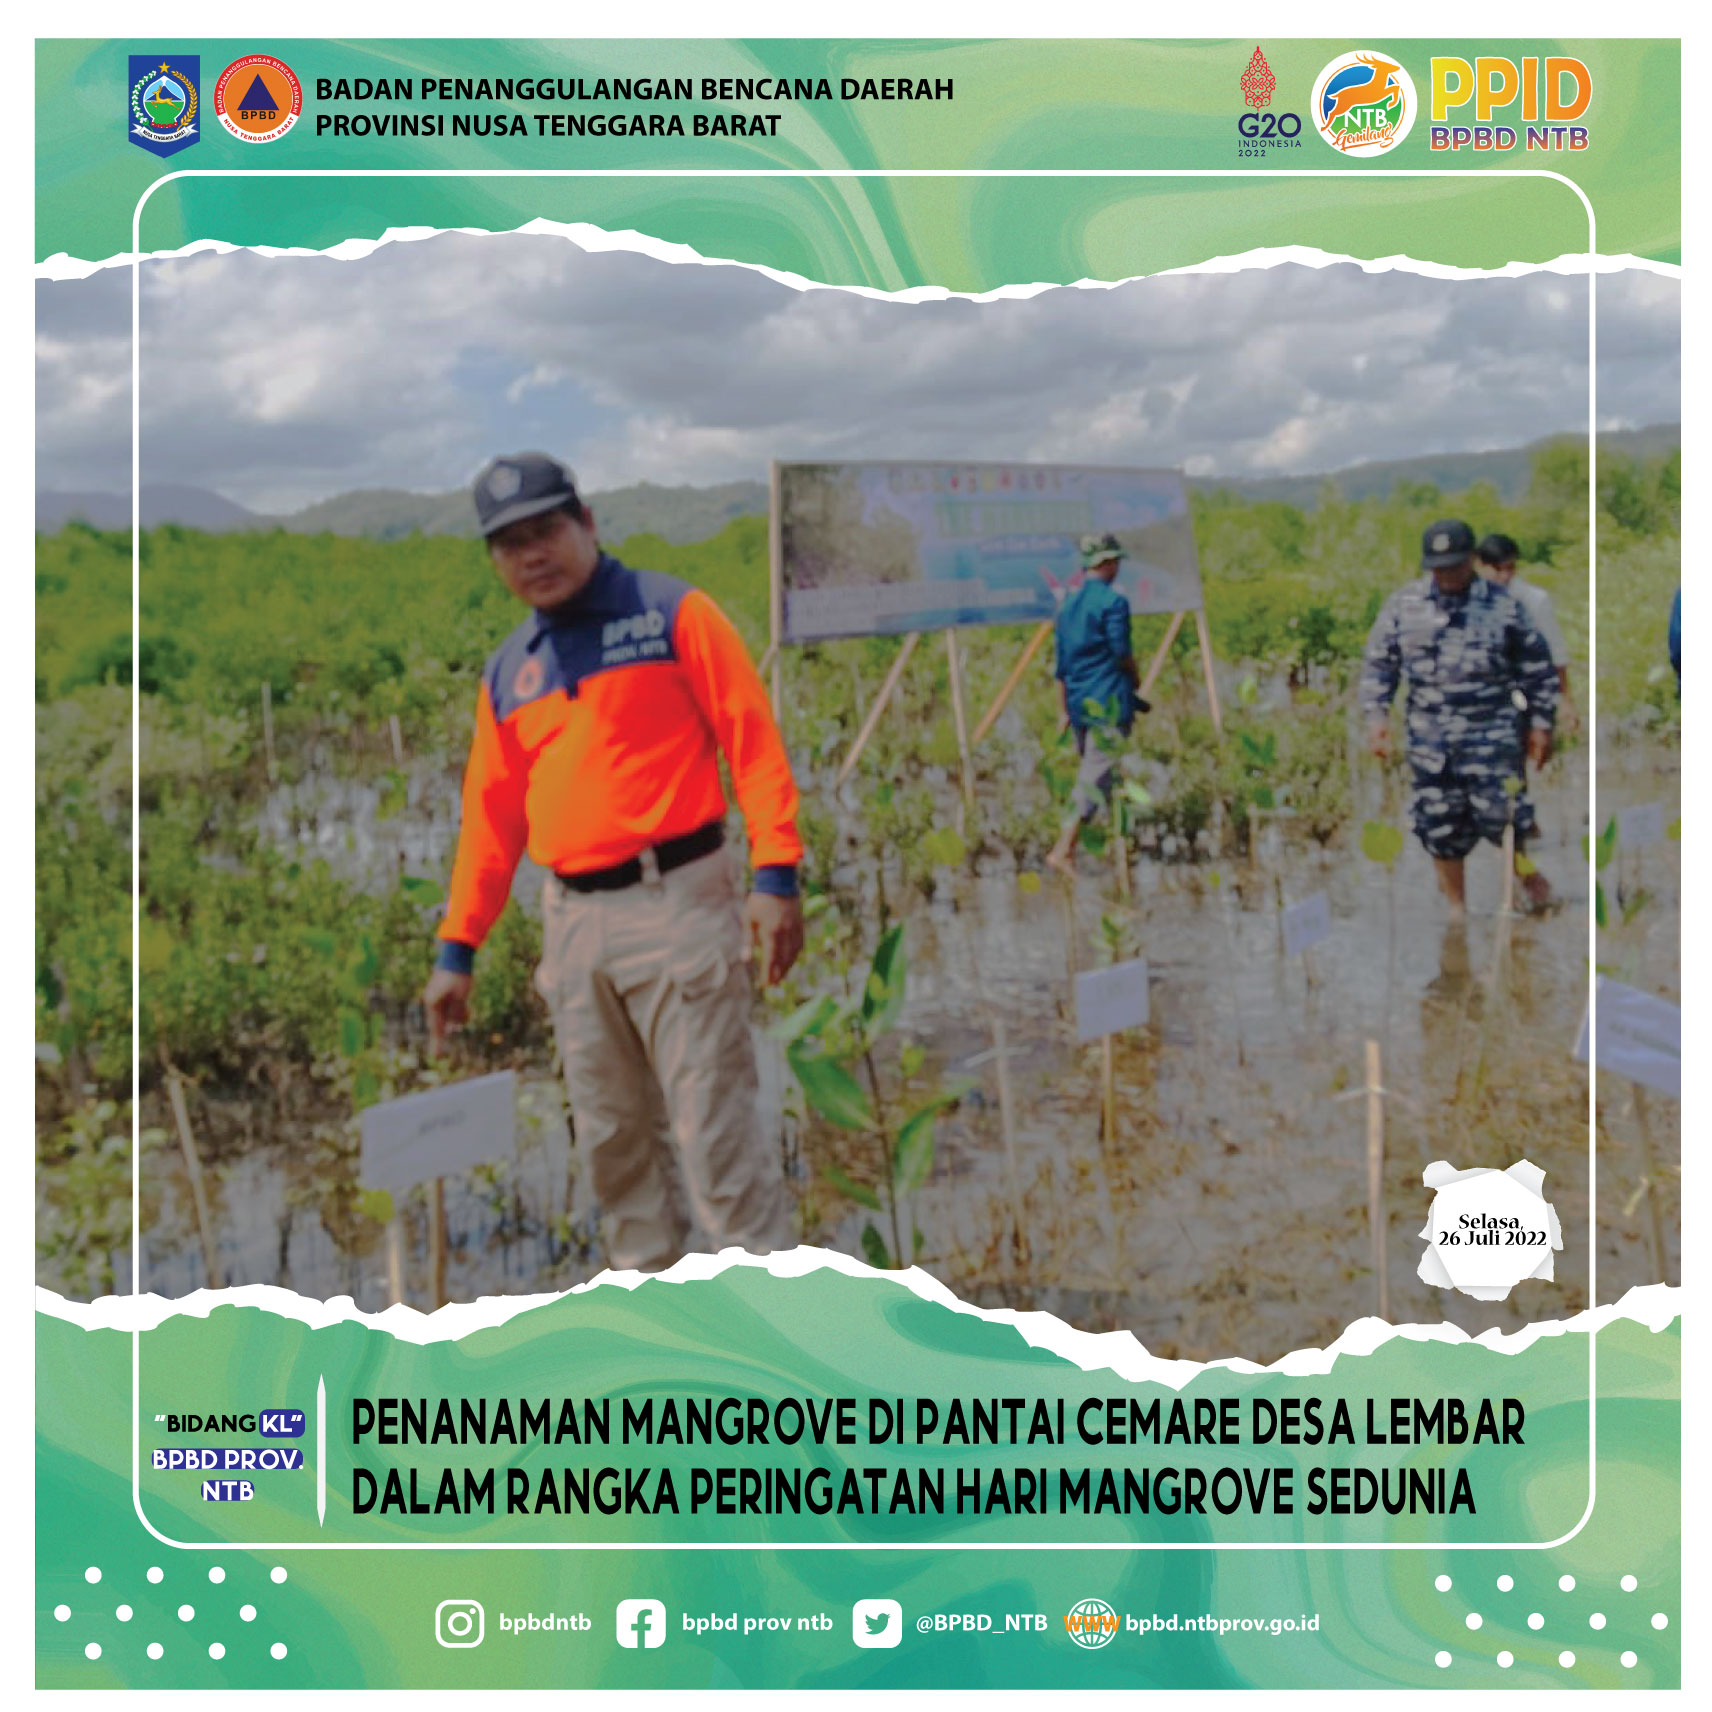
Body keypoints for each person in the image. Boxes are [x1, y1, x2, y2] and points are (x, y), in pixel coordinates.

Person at [423, 452, 804, 1272]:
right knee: (614, 1147)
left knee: (718, 1151)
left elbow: (754, 741)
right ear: (494, 561)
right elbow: (490, 821)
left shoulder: (672, 614)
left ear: (587, 524)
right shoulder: (509, 672)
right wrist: (459, 949)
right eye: (509, 543)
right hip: (571, 926)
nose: (532, 553)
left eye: (546, 530)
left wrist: (777, 873)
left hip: (679, 905)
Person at [1360, 518, 1557, 916]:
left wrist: (1541, 724)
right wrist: (1377, 718)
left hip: (1493, 736)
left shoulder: (1504, 606)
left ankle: (1523, 888)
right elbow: (1380, 665)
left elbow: (1537, 668)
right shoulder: (1404, 606)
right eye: (1439, 566)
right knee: (1440, 825)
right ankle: (1457, 912)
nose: (1446, 574)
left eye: (1454, 565)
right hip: (1431, 740)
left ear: (1472, 560)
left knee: (1504, 818)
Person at [1045, 533, 1144, 874]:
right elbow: (1121, 652)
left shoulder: (1067, 605)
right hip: (1108, 703)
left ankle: (1117, 843)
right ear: (1108, 563)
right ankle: (1063, 851)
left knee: (1104, 776)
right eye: (1115, 562)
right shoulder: (1114, 602)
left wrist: (1063, 711)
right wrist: (1136, 678)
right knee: (1093, 778)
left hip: (1078, 703)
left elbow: (1061, 665)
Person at [1476, 532, 1577, 731]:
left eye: (1510, 568)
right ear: (1480, 565)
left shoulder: (1534, 600)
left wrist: (1566, 699)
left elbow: (1555, 651)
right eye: (1497, 569)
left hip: (1522, 690)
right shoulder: (1470, 600)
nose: (1505, 576)